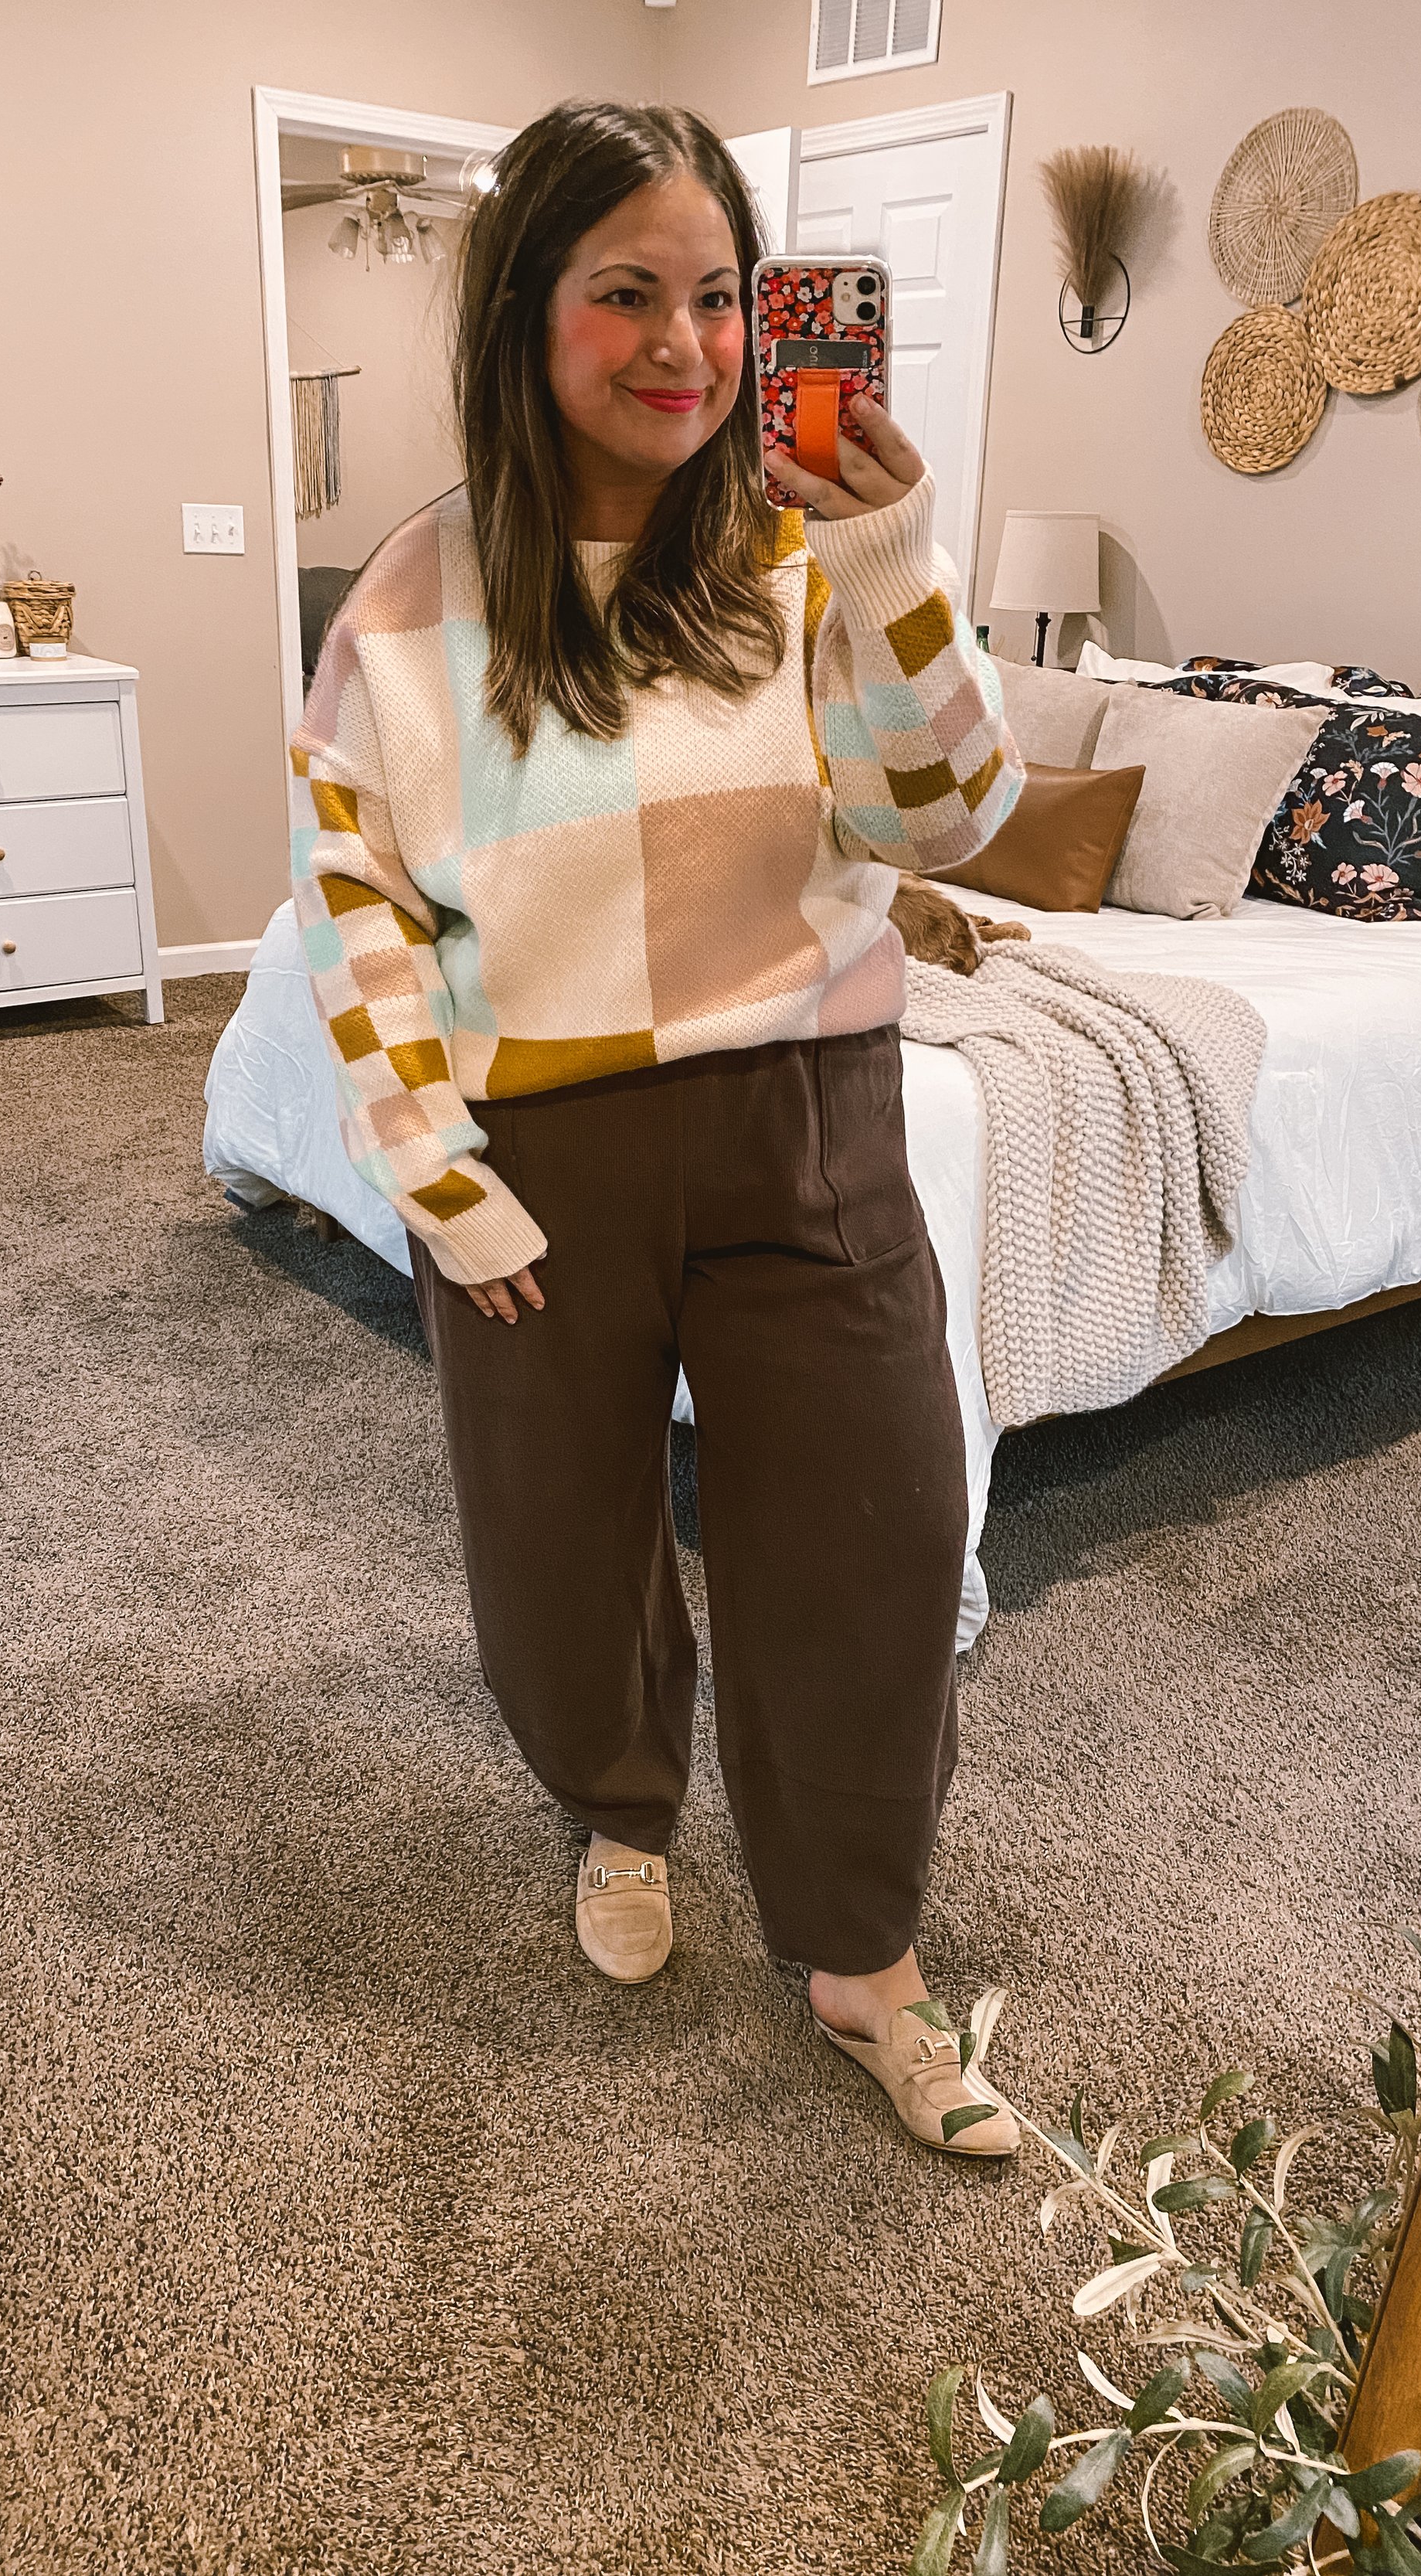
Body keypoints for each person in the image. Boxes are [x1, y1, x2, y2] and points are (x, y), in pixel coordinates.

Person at [291, 99, 1024, 2156]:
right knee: (560, 1543)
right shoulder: (417, 595)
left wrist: (888, 556)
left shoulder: (808, 550)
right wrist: (437, 1181)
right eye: (627, 293)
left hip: (808, 1119)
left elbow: (952, 820)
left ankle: (863, 1960)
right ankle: (621, 1810)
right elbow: (353, 903)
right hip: (544, 1153)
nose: (686, 346)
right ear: (525, 311)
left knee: (879, 1541)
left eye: (720, 294)